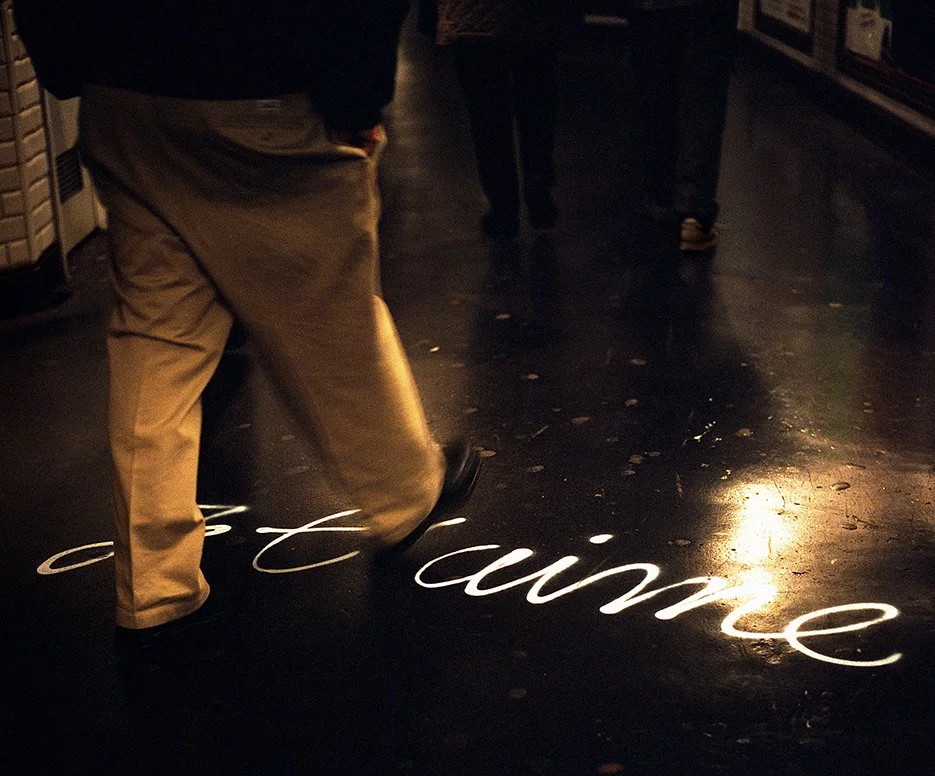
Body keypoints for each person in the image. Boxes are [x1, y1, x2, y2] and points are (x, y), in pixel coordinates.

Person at [15, 0, 481, 647]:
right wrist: (355, 100)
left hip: (119, 88)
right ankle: (402, 492)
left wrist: (71, 63)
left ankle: (154, 587)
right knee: (327, 304)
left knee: (157, 331)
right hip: (262, 83)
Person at [419, 0, 581, 239]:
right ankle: (539, 189)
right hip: (534, 12)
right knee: (538, 104)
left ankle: (503, 208)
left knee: (487, 116)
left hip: (473, 16)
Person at [624, 0, 739, 251]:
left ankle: (660, 199)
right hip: (708, 9)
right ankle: (693, 213)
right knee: (703, 102)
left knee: (656, 98)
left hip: (651, 9)